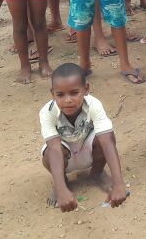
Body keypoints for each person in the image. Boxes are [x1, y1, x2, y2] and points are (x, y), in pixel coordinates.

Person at [40, 63, 128, 212]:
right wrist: (60, 188)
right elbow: (54, 149)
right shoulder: (47, 112)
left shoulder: (94, 104)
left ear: (86, 89)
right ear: (52, 93)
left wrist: (119, 183)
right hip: (63, 154)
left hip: (87, 149)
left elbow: (107, 142)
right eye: (60, 94)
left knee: (106, 136)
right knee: (48, 153)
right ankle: (61, 183)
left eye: (74, 93)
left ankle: (97, 172)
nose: (67, 100)